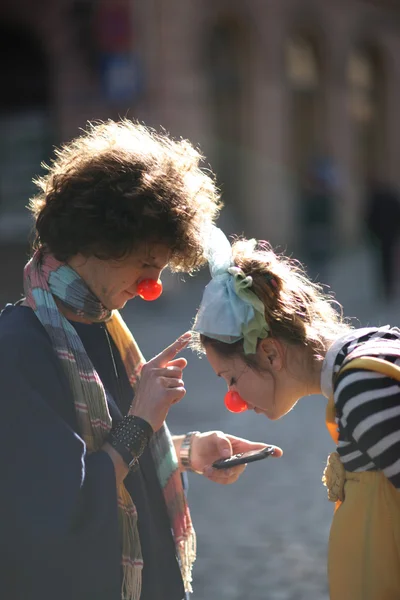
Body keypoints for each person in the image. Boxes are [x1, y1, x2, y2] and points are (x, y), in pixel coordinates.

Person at [0, 121, 280, 600]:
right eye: (146, 265)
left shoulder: (102, 325)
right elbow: (66, 501)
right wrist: (143, 421)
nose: (152, 287)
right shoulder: (19, 348)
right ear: (100, 240)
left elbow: (107, 442)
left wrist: (188, 452)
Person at [192, 226, 400, 600]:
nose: (233, 398)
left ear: (271, 353)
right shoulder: (366, 353)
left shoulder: (362, 387)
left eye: (231, 378)